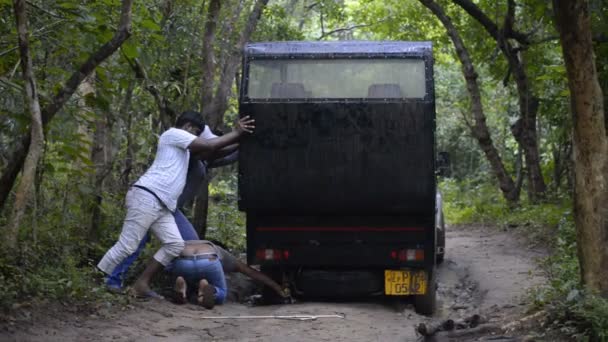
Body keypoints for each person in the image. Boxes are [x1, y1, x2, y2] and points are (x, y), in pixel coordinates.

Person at [97, 111, 254, 298]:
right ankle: (102, 281)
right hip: (149, 196)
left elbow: (220, 152)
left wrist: (246, 140)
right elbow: (212, 145)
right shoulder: (173, 135)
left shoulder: (189, 154)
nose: (195, 137)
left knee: (177, 245)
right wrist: (237, 132)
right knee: (129, 245)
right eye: (195, 133)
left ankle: (146, 283)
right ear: (188, 128)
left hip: (165, 206)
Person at [171, 240, 290, 308]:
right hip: (209, 259)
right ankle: (213, 292)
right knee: (222, 293)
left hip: (183, 259)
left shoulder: (184, 242)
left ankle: (182, 287)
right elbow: (250, 272)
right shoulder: (218, 250)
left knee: (186, 273)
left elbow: (166, 263)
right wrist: (277, 287)